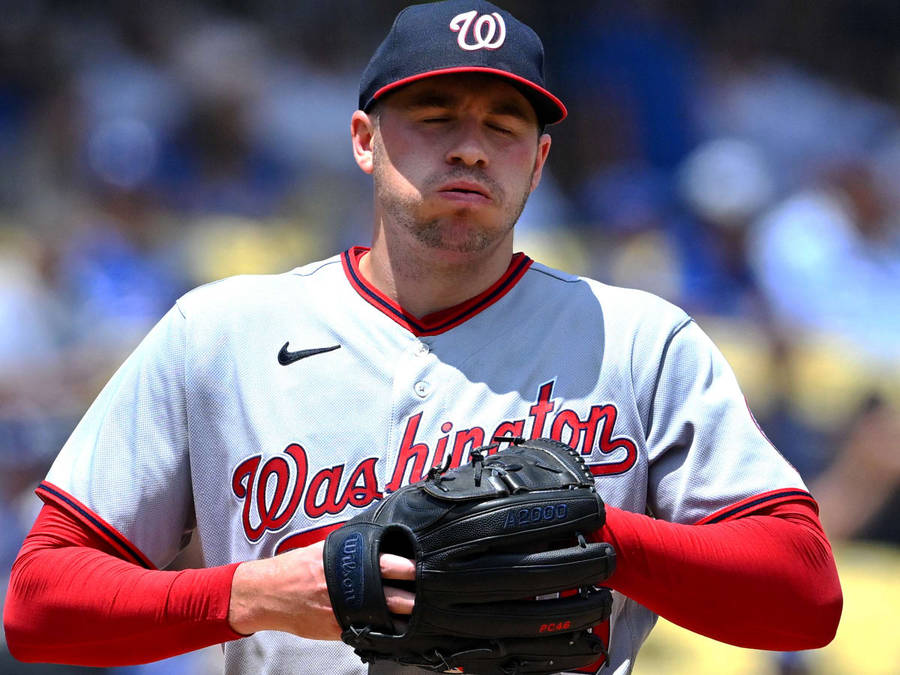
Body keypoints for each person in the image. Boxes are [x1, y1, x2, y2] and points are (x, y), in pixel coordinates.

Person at [3, 2, 841, 674]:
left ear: (540, 162)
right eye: (435, 117)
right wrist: (250, 593)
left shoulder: (641, 341)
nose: (471, 148)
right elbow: (38, 603)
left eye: (504, 127)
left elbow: (803, 591)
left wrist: (591, 536)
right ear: (366, 139)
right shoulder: (219, 332)